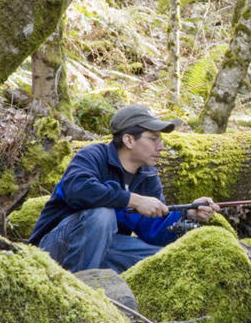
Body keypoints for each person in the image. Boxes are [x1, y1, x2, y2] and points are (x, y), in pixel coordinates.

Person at [28, 105, 220, 273]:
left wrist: (188, 214)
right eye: (153, 139)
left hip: (105, 249)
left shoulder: (148, 177)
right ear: (128, 140)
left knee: (163, 259)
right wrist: (133, 200)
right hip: (52, 248)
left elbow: (155, 231)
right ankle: (79, 293)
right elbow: (77, 190)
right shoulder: (94, 156)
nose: (160, 146)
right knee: (102, 214)